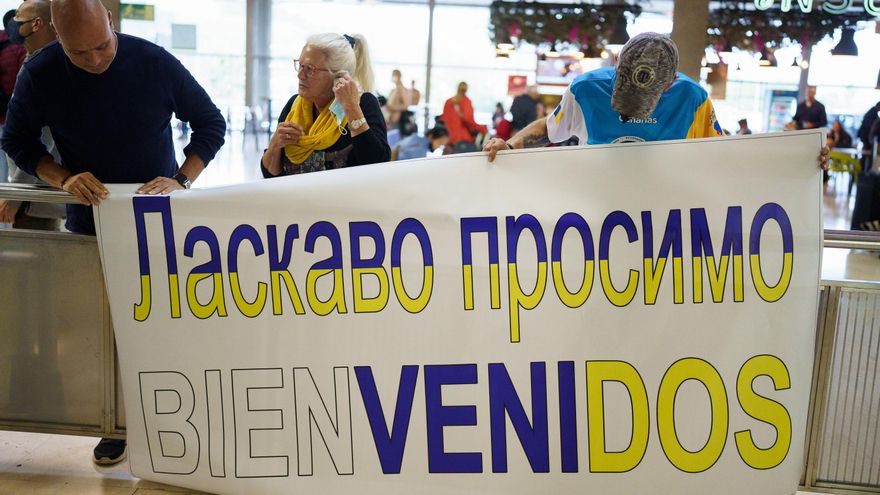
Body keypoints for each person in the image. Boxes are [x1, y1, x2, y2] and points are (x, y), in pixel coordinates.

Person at [0, 0, 226, 464]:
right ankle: (115, 425)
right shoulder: (41, 72)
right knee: (103, 329)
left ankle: (174, 420)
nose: (97, 60)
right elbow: (17, 141)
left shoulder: (153, 61)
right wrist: (60, 177)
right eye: (80, 55)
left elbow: (210, 123)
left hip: (157, 222)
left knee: (164, 324)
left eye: (103, 46)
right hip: (91, 221)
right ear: (58, 38)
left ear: (110, 20)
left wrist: (182, 178)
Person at [483, 32, 830, 171]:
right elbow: (551, 127)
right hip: (594, 214)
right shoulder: (586, 89)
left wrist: (798, 158)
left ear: (670, 83)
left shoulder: (693, 99)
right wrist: (510, 146)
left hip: (662, 221)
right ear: (617, 69)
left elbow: (728, 155)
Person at [260, 33, 389, 177]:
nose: (300, 75)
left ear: (339, 76)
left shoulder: (362, 104)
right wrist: (275, 144)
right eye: (300, 65)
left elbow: (378, 164)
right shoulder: (294, 106)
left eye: (310, 69)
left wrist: (351, 108)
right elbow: (270, 175)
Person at [0, 0, 64, 230]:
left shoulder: (46, 69)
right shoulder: (37, 61)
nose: (13, 23)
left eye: (19, 17)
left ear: (37, 23)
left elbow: (40, 139)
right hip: (35, 191)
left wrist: (16, 195)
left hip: (36, 195)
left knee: (33, 262)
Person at [0, 9, 27, 183]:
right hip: (13, 115)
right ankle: (12, 201)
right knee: (17, 159)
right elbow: (24, 84)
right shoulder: (20, 48)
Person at [441, 81, 487, 153]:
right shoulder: (466, 101)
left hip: (448, 139)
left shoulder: (448, 102)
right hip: (462, 140)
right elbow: (468, 120)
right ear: (466, 90)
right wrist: (482, 129)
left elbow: (443, 119)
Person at [857, 101, 879, 171]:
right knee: (866, 155)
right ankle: (862, 172)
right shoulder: (873, 114)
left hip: (866, 137)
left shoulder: (872, 112)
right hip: (866, 137)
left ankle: (863, 171)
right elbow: (869, 128)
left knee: (866, 155)